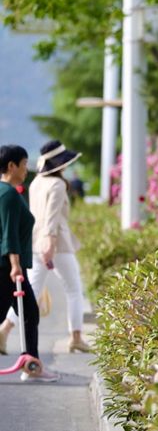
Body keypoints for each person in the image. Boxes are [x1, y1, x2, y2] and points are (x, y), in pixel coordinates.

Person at [0, 141, 90, 355]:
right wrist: (49, 242)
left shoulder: (37, 182)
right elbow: (51, 217)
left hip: (34, 242)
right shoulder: (58, 185)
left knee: (29, 294)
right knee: (74, 289)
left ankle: (4, 331)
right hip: (56, 243)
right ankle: (76, 337)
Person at [0, 145, 59, 382]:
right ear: (11, 166)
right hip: (8, 268)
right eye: (24, 164)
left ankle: (32, 365)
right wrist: (15, 265)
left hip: (8, 266)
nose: (27, 169)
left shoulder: (5, 192)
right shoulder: (9, 195)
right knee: (29, 314)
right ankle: (32, 366)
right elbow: (9, 234)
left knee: (29, 314)